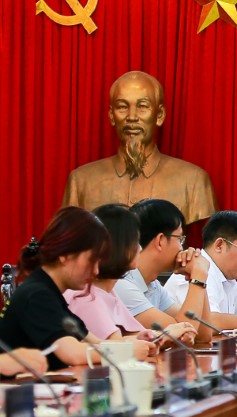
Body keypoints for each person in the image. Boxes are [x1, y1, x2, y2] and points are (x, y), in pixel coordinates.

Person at [0, 207, 153, 370]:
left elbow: (95, 343)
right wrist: (126, 351)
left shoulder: (51, 292)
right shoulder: (37, 294)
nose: (96, 271)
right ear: (65, 255)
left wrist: (133, 341)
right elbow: (73, 354)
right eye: (92, 260)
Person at [62, 70, 217, 223]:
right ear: (111, 115)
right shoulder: (81, 181)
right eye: (122, 107)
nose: (132, 117)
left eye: (142, 106)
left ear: (159, 115)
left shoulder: (193, 181)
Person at [112, 198, 206, 345]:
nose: (182, 248)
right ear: (161, 240)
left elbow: (203, 334)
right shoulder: (122, 284)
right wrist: (199, 275)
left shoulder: (153, 285)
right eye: (179, 239)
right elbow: (182, 336)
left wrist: (198, 275)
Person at [64, 205, 147, 340]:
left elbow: (134, 335)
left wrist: (160, 336)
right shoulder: (85, 296)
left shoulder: (107, 290)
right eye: (136, 241)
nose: (140, 248)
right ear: (118, 246)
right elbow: (113, 346)